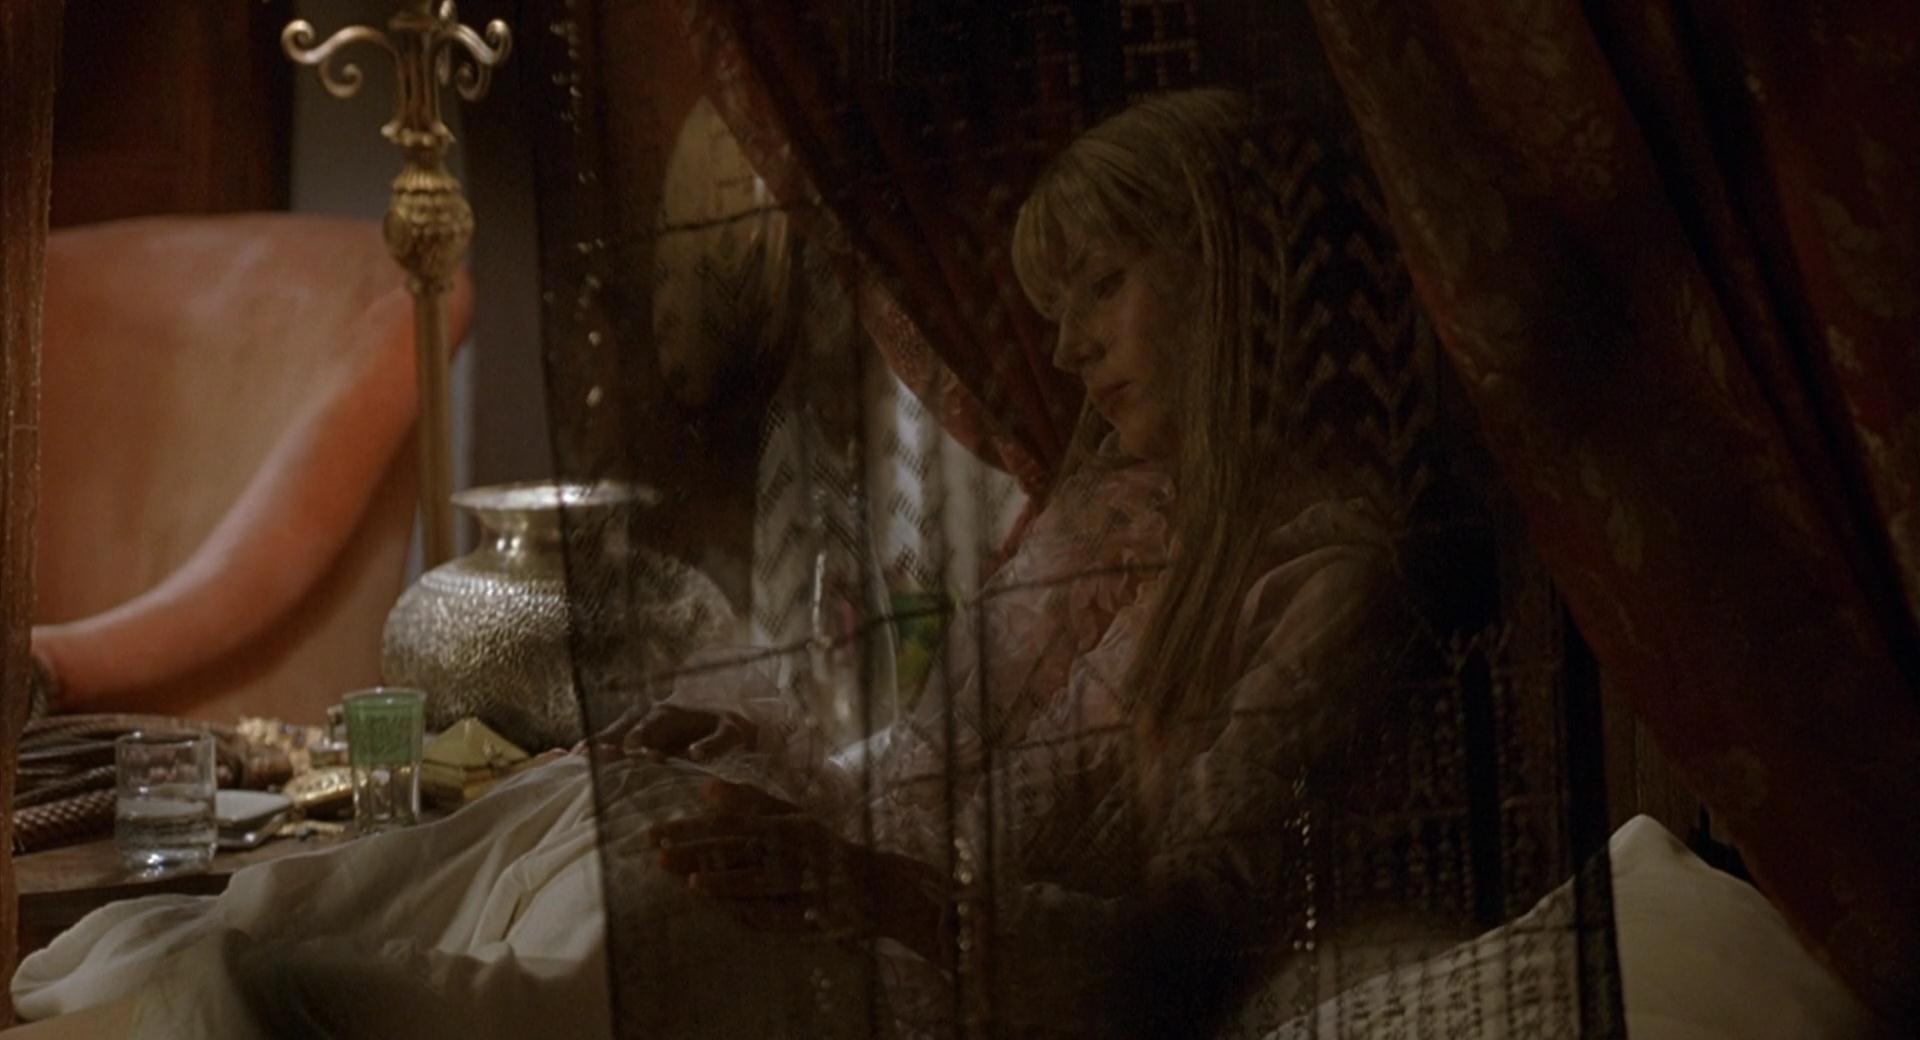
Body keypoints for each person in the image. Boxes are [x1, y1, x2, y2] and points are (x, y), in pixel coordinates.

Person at [11, 89, 1421, 1039]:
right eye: (1059, 306)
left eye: (1103, 287)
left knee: (324, 987)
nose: (1065, 350)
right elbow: (928, 765)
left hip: (915, 973)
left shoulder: (1326, 576)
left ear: (1234, 277)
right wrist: (752, 739)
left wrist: (860, 887)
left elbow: (1174, 960)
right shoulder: (1100, 510)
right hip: (842, 883)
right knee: (505, 823)